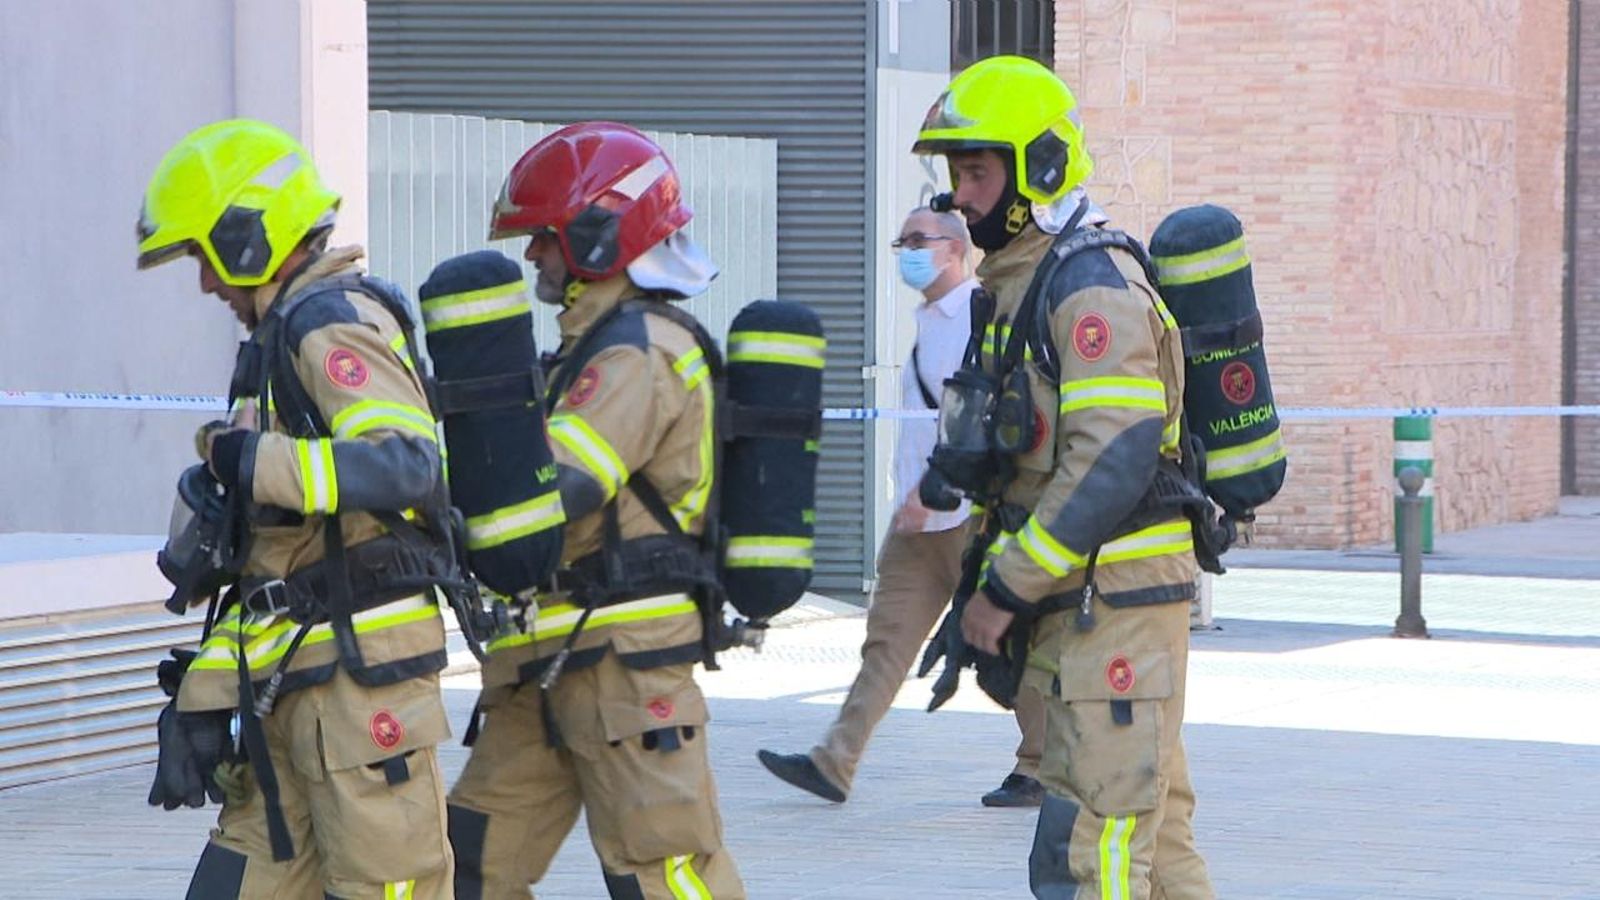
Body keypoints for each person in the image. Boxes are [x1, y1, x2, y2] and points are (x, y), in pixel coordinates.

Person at [912, 56, 1216, 898]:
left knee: (1101, 846)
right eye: (955, 173)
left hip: (1115, 602)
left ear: (1039, 167)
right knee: (1163, 839)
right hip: (1087, 605)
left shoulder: (1089, 287)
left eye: (977, 172)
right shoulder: (1021, 285)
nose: (958, 197)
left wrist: (1006, 586)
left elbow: (1114, 453)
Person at [137, 118, 457, 898]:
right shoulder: (276, 342)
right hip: (291, 703)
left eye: (204, 256)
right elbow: (275, 568)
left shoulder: (330, 323)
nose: (207, 283)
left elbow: (406, 461)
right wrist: (203, 698)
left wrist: (255, 460)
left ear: (249, 237)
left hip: (360, 700)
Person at [444, 121, 745, 900]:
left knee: (665, 874)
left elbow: (560, 489)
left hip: (623, 666)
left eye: (543, 239)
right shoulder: (588, 350)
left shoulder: (636, 353)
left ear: (597, 234)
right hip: (542, 665)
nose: (531, 257)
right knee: (470, 866)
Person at [756, 205, 1046, 808]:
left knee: (1005, 645)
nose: (909, 250)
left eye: (922, 240)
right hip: (916, 522)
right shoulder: (929, 320)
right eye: (904, 240)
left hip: (968, 520)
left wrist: (937, 492)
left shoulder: (978, 313)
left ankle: (1042, 765)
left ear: (957, 248)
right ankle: (834, 762)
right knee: (886, 645)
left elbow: (979, 423)